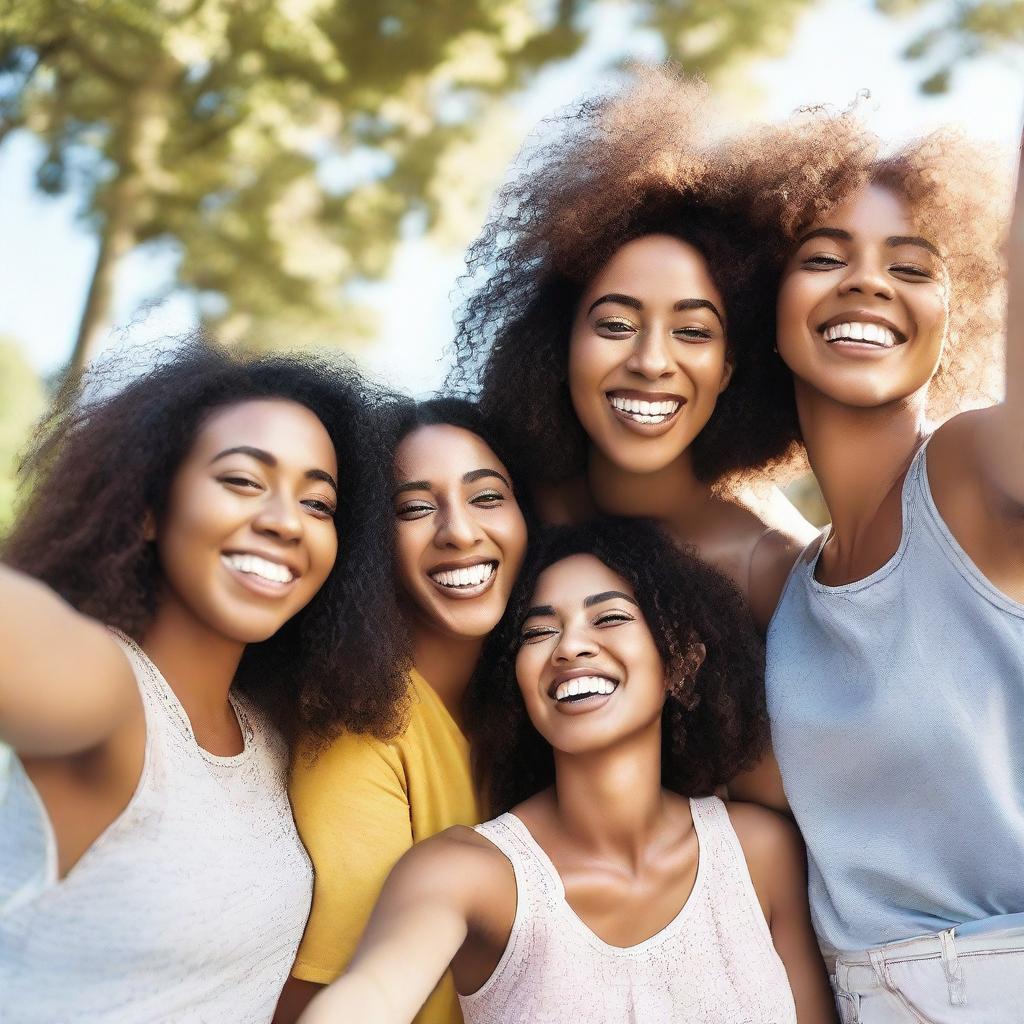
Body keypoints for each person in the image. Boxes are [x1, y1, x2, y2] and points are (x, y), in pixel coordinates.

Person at [0, 340, 400, 1023]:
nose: (283, 521)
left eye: (318, 503)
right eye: (243, 481)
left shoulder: (270, 734)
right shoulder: (110, 691)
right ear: (148, 506)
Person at [298, 519, 838, 1024]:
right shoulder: (467, 875)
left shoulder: (760, 853)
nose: (571, 647)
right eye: (538, 632)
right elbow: (367, 997)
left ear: (682, 658)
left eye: (609, 618)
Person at [733, 111, 1024, 1020]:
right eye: (824, 258)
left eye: (912, 266)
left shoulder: (973, 473)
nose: (867, 281)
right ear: (760, 306)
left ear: (964, 306)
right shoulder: (791, 591)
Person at [452, 70, 816, 631]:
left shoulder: (766, 566)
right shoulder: (497, 511)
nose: (650, 361)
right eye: (617, 324)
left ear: (730, 368)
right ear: (560, 343)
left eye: (693, 332)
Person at [276, 399, 530, 1024]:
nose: (459, 531)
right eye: (415, 507)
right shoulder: (360, 730)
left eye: (487, 497)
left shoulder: (532, 711)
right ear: (369, 544)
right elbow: (317, 1002)